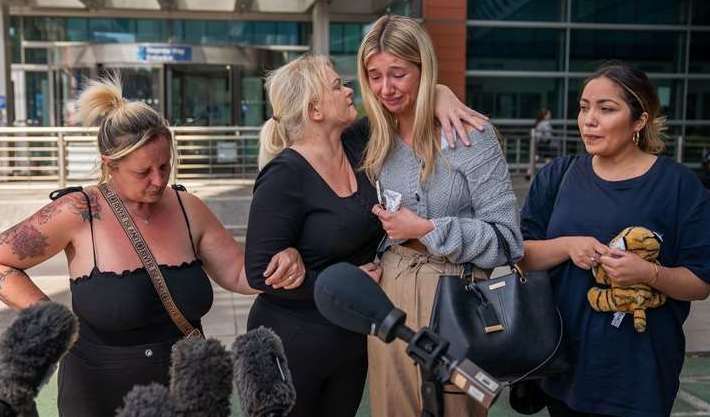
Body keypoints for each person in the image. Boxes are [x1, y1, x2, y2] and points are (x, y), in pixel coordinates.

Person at [0, 75, 302, 417]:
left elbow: (238, 273)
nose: (159, 180)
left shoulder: (189, 208)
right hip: (98, 395)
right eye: (143, 172)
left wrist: (285, 260)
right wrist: (48, 317)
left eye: (164, 165)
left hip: (186, 391)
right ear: (109, 164)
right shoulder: (77, 212)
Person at [245, 53, 486, 417]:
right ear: (314, 110)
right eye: (337, 85)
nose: (348, 91)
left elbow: (404, 101)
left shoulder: (357, 144)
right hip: (292, 341)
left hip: (349, 338)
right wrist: (342, 284)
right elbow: (258, 270)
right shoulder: (284, 176)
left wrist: (440, 93)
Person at [519, 62, 710, 417]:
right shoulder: (557, 176)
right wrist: (567, 246)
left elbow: (699, 283)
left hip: (640, 377)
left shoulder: (679, 186)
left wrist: (649, 274)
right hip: (564, 370)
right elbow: (521, 256)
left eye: (606, 109)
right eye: (584, 107)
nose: (589, 119)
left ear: (640, 120)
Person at [360, 15, 523, 417]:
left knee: (458, 409)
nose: (386, 88)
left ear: (424, 68)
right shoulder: (375, 138)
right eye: (375, 76)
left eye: (398, 73)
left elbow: (508, 240)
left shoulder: (470, 135)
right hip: (393, 294)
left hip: (458, 297)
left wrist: (431, 230)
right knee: (393, 406)